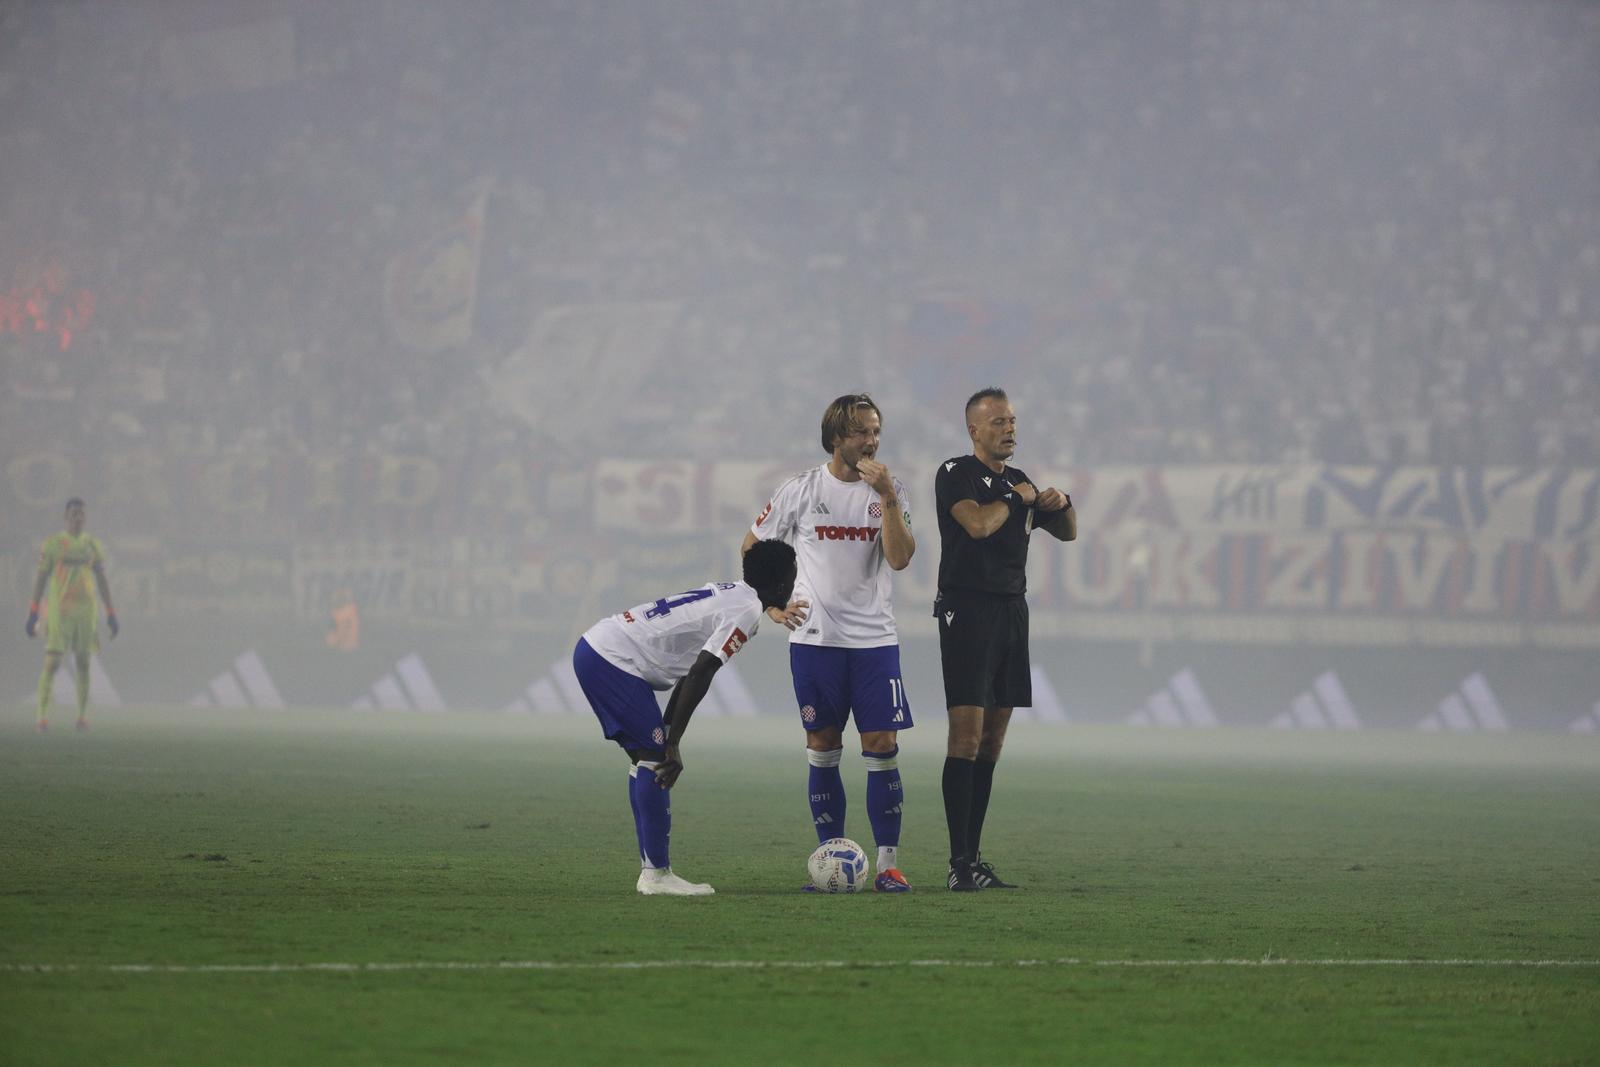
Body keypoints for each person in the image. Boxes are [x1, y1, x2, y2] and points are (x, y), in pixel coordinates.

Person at [742, 394, 917, 893]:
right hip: (815, 642)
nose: (872, 440)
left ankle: (887, 866)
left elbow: (901, 559)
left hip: (875, 642)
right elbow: (753, 549)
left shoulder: (890, 489)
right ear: (837, 437)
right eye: (862, 431)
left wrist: (886, 496)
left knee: (882, 746)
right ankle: (831, 859)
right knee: (823, 746)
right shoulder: (800, 490)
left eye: (876, 430)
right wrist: (773, 606)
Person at [574, 539, 797, 896]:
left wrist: (667, 731)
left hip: (600, 648)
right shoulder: (747, 611)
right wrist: (672, 742)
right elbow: (702, 672)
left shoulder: (734, 593)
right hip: (612, 658)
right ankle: (656, 876)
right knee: (655, 756)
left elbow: (692, 669)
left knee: (650, 756)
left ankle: (654, 871)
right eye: (794, 575)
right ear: (783, 584)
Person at [933, 388, 1075, 891]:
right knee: (965, 738)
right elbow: (977, 524)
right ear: (974, 430)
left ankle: (972, 859)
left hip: (1012, 612)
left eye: (1012, 420)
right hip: (966, 610)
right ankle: (957, 864)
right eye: (998, 421)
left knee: (992, 741)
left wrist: (1060, 502)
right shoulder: (956, 474)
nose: (1009, 428)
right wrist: (1019, 498)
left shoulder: (1022, 481)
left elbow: (1069, 532)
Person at [25, 498, 118, 732]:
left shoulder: (92, 545)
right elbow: (41, 578)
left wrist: (111, 612)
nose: (79, 517)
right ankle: (42, 718)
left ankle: (82, 717)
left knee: (84, 662)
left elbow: (102, 580)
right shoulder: (54, 544)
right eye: (74, 513)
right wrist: (33, 611)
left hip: (86, 613)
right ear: (66, 516)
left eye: (82, 514)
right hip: (59, 612)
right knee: (52, 662)